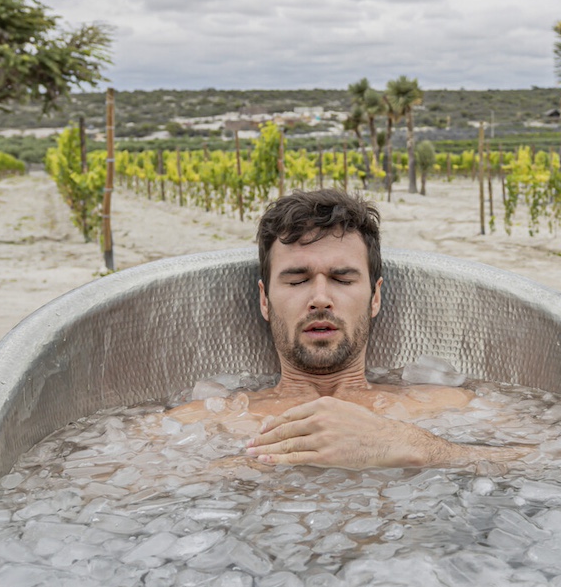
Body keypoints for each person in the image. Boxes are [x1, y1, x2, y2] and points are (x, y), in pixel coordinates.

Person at [168, 189, 523, 470]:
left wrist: (413, 446)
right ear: (264, 301)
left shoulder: (446, 406)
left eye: (342, 279)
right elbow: (115, 488)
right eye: (297, 280)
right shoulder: (201, 421)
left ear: (374, 297)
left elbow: (553, 460)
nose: (320, 298)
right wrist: (234, 471)